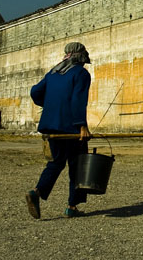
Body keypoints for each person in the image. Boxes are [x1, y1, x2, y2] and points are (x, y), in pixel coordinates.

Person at [25, 41, 93, 219]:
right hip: (71, 127)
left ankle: (37, 192)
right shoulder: (81, 73)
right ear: (81, 57)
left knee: (56, 162)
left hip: (52, 126)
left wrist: (50, 105)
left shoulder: (53, 73)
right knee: (78, 165)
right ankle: (72, 206)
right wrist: (82, 126)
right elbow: (78, 100)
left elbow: (35, 92)